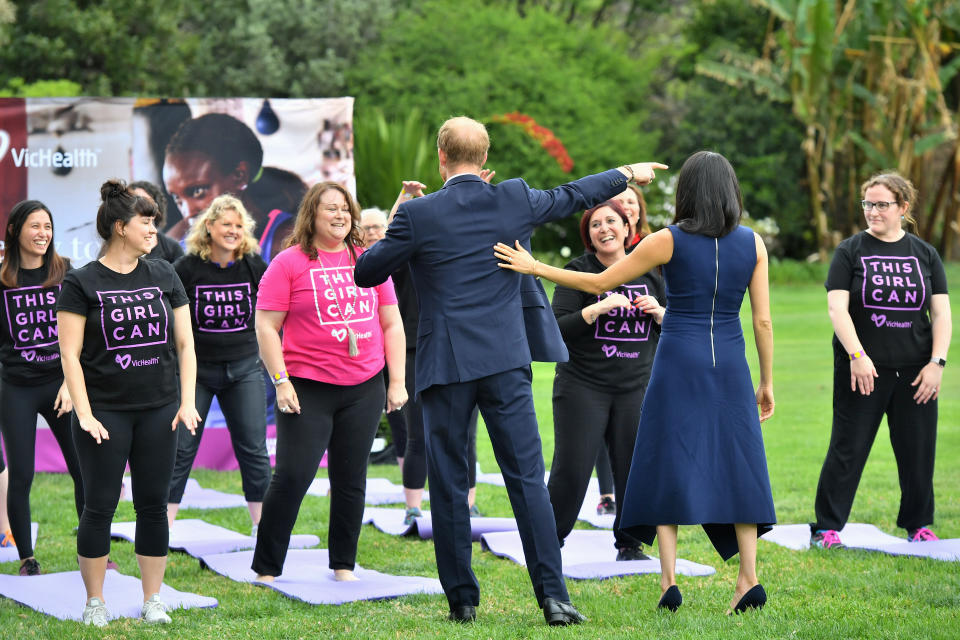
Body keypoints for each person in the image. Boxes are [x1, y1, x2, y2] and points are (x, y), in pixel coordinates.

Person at [355, 115, 665, 626]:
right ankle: (554, 597)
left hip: (446, 364)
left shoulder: (419, 214)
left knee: (450, 483)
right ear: (485, 157)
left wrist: (400, 217)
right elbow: (572, 193)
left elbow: (367, 271)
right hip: (505, 360)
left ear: (440, 157)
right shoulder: (513, 197)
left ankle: (462, 601)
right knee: (526, 479)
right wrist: (626, 172)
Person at [495, 150, 775, 615]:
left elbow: (600, 281)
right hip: (729, 362)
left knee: (665, 460)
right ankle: (748, 578)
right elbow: (762, 322)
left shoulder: (668, 240)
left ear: (687, 192)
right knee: (738, 464)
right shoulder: (754, 243)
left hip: (677, 362)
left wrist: (536, 268)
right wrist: (766, 381)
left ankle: (669, 581)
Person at [57, 179, 200, 627]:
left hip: (159, 408)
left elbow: (185, 344)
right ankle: (95, 601)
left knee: (153, 505)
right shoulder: (82, 282)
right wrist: (84, 413)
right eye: (146, 221)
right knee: (98, 506)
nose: (154, 229)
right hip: (105, 413)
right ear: (120, 227)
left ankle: (152, 599)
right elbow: (69, 355)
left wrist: (187, 401)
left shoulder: (164, 273)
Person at [252, 182, 407, 583]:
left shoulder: (369, 260)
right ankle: (267, 568)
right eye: (330, 209)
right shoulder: (288, 263)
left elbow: (391, 323)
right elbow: (267, 327)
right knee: (292, 477)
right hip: (308, 388)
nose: (339, 216)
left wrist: (397, 382)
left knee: (351, 478)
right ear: (311, 216)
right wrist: (281, 381)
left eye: (344, 209)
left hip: (364, 386)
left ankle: (343, 565)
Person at [810, 171, 951, 549]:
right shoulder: (850, 251)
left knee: (918, 451)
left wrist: (937, 363)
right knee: (848, 448)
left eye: (881, 204)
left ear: (903, 208)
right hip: (863, 371)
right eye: (868, 204)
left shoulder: (925, 254)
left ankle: (919, 525)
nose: (872, 211)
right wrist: (857, 355)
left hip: (917, 373)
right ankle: (827, 528)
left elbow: (941, 314)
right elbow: (836, 307)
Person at [547, 199, 664, 561]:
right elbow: (556, 329)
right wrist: (596, 308)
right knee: (573, 467)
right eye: (595, 225)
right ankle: (551, 542)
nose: (604, 229)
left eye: (611, 221)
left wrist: (660, 313)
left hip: (636, 388)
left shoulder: (652, 274)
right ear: (589, 236)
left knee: (634, 468)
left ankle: (630, 543)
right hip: (583, 387)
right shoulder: (578, 271)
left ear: (629, 228)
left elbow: (677, 329)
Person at [166, 195, 271, 534]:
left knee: (253, 448)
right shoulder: (187, 268)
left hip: (244, 370)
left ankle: (263, 527)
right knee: (181, 449)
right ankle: (162, 527)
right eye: (226, 224)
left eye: (239, 226)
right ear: (208, 227)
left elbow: (272, 313)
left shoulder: (254, 265)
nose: (233, 231)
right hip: (197, 373)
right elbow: (169, 319)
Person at [0, 200, 84, 576]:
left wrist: (70, 382)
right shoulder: (2, 279)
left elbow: (82, 334)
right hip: (16, 388)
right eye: (34, 226)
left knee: (83, 469)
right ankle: (26, 558)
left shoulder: (66, 273)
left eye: (47, 226)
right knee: (21, 474)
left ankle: (93, 552)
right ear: (16, 230)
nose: (42, 234)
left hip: (60, 384)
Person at [162, 112, 307, 259]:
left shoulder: (286, 242)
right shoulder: (177, 245)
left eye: (198, 191)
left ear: (239, 176)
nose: (188, 213)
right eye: (177, 198)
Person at [129, 180, 185, 264]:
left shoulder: (172, 248)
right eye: (134, 201)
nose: (140, 207)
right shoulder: (117, 245)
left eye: (145, 201)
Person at [613, 182, 650, 246]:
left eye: (630, 202)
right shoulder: (598, 249)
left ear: (639, 211)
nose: (625, 207)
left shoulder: (652, 244)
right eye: (619, 203)